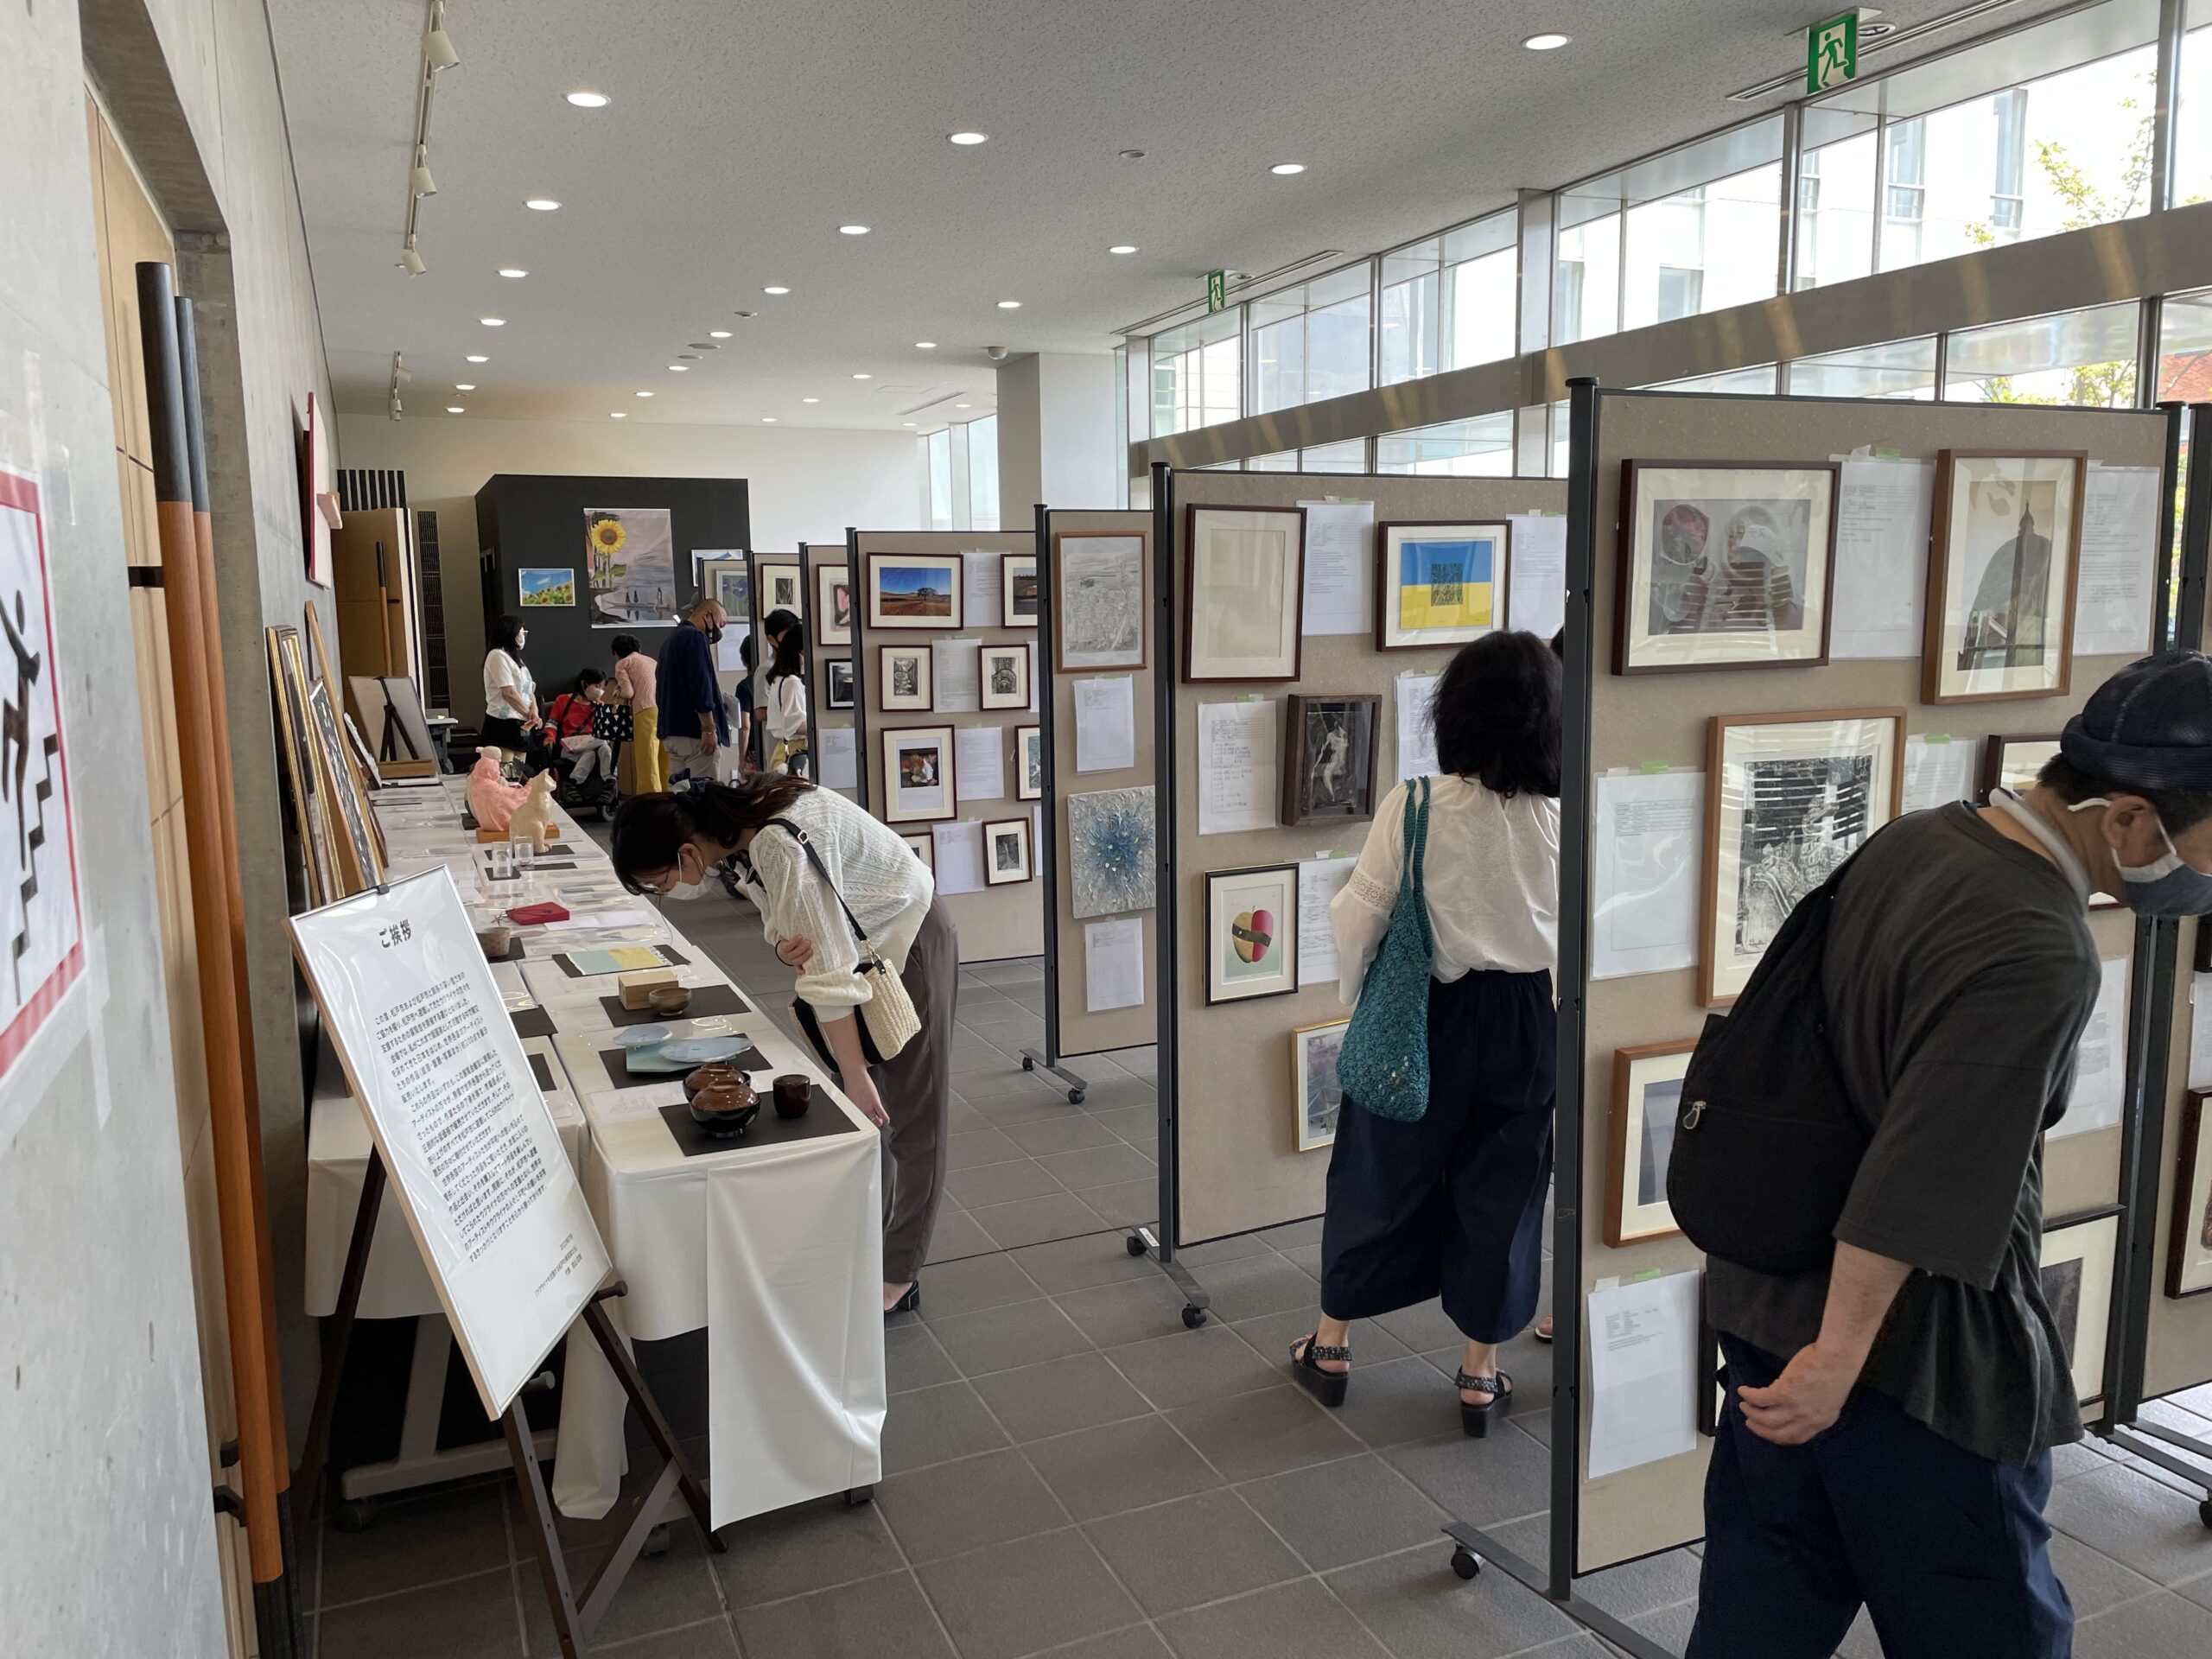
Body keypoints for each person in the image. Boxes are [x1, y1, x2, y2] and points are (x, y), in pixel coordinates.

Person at [1687, 650, 2212, 1659]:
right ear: (2128, 820)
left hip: (1768, 1295)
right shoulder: (2038, 945)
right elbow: (1920, 1178)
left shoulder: (1920, 837)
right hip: (1911, 1360)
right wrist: (1836, 1361)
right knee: (1988, 1628)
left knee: (1764, 1605)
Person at [1288, 630, 1560, 1433]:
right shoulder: (1564, 817)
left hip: (1426, 1012)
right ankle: (1480, 1371)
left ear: (1456, 715)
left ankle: (1331, 1345)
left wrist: (1357, 994)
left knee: (1378, 1171)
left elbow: (1361, 919)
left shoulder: (1415, 805)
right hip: (1527, 1020)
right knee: (1505, 1190)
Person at [610, 775, 957, 1313]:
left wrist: (854, 1074)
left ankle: (898, 1273)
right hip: (866, 943)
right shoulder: (738, 822)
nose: (665, 894)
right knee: (869, 1114)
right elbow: (797, 927)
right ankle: (870, 1243)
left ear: (687, 852)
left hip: (904, 939)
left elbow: (829, 971)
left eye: (660, 882)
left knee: (911, 1117)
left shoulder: (773, 841)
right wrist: (784, 944)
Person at [656, 594, 728, 784]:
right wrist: (709, 729)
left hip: (671, 732)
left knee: (680, 794)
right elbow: (701, 685)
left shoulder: (671, 640)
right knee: (703, 794)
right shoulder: (695, 637)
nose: (719, 630)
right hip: (695, 734)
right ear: (707, 615)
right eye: (720, 624)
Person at [608, 633, 661, 795]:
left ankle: (650, 796)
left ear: (617, 653)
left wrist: (618, 692)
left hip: (645, 709)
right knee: (662, 756)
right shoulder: (652, 661)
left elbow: (628, 693)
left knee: (647, 755)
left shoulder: (623, 663)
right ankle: (667, 793)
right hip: (663, 708)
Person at [544, 669, 614, 791]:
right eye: (597, 686)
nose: (600, 691)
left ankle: (574, 783)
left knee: (595, 752)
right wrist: (550, 736)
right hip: (570, 746)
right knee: (602, 741)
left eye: (603, 688)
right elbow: (552, 723)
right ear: (584, 684)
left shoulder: (600, 706)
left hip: (593, 746)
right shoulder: (563, 700)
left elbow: (604, 729)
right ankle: (611, 779)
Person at [480, 613, 539, 755]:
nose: (523, 636)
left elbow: (529, 690)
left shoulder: (517, 660)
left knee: (519, 767)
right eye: (521, 633)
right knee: (506, 767)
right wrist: (528, 714)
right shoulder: (497, 655)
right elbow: (509, 693)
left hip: (521, 722)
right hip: (502, 722)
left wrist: (534, 711)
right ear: (511, 633)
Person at [761, 607, 809, 777]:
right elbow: (794, 725)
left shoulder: (781, 679)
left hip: (785, 751)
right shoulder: (792, 682)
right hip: (795, 752)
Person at [735, 629, 758, 772]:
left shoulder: (744, 687)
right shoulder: (775, 682)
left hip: (753, 752)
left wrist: (742, 758)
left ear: (744, 660)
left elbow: (745, 726)